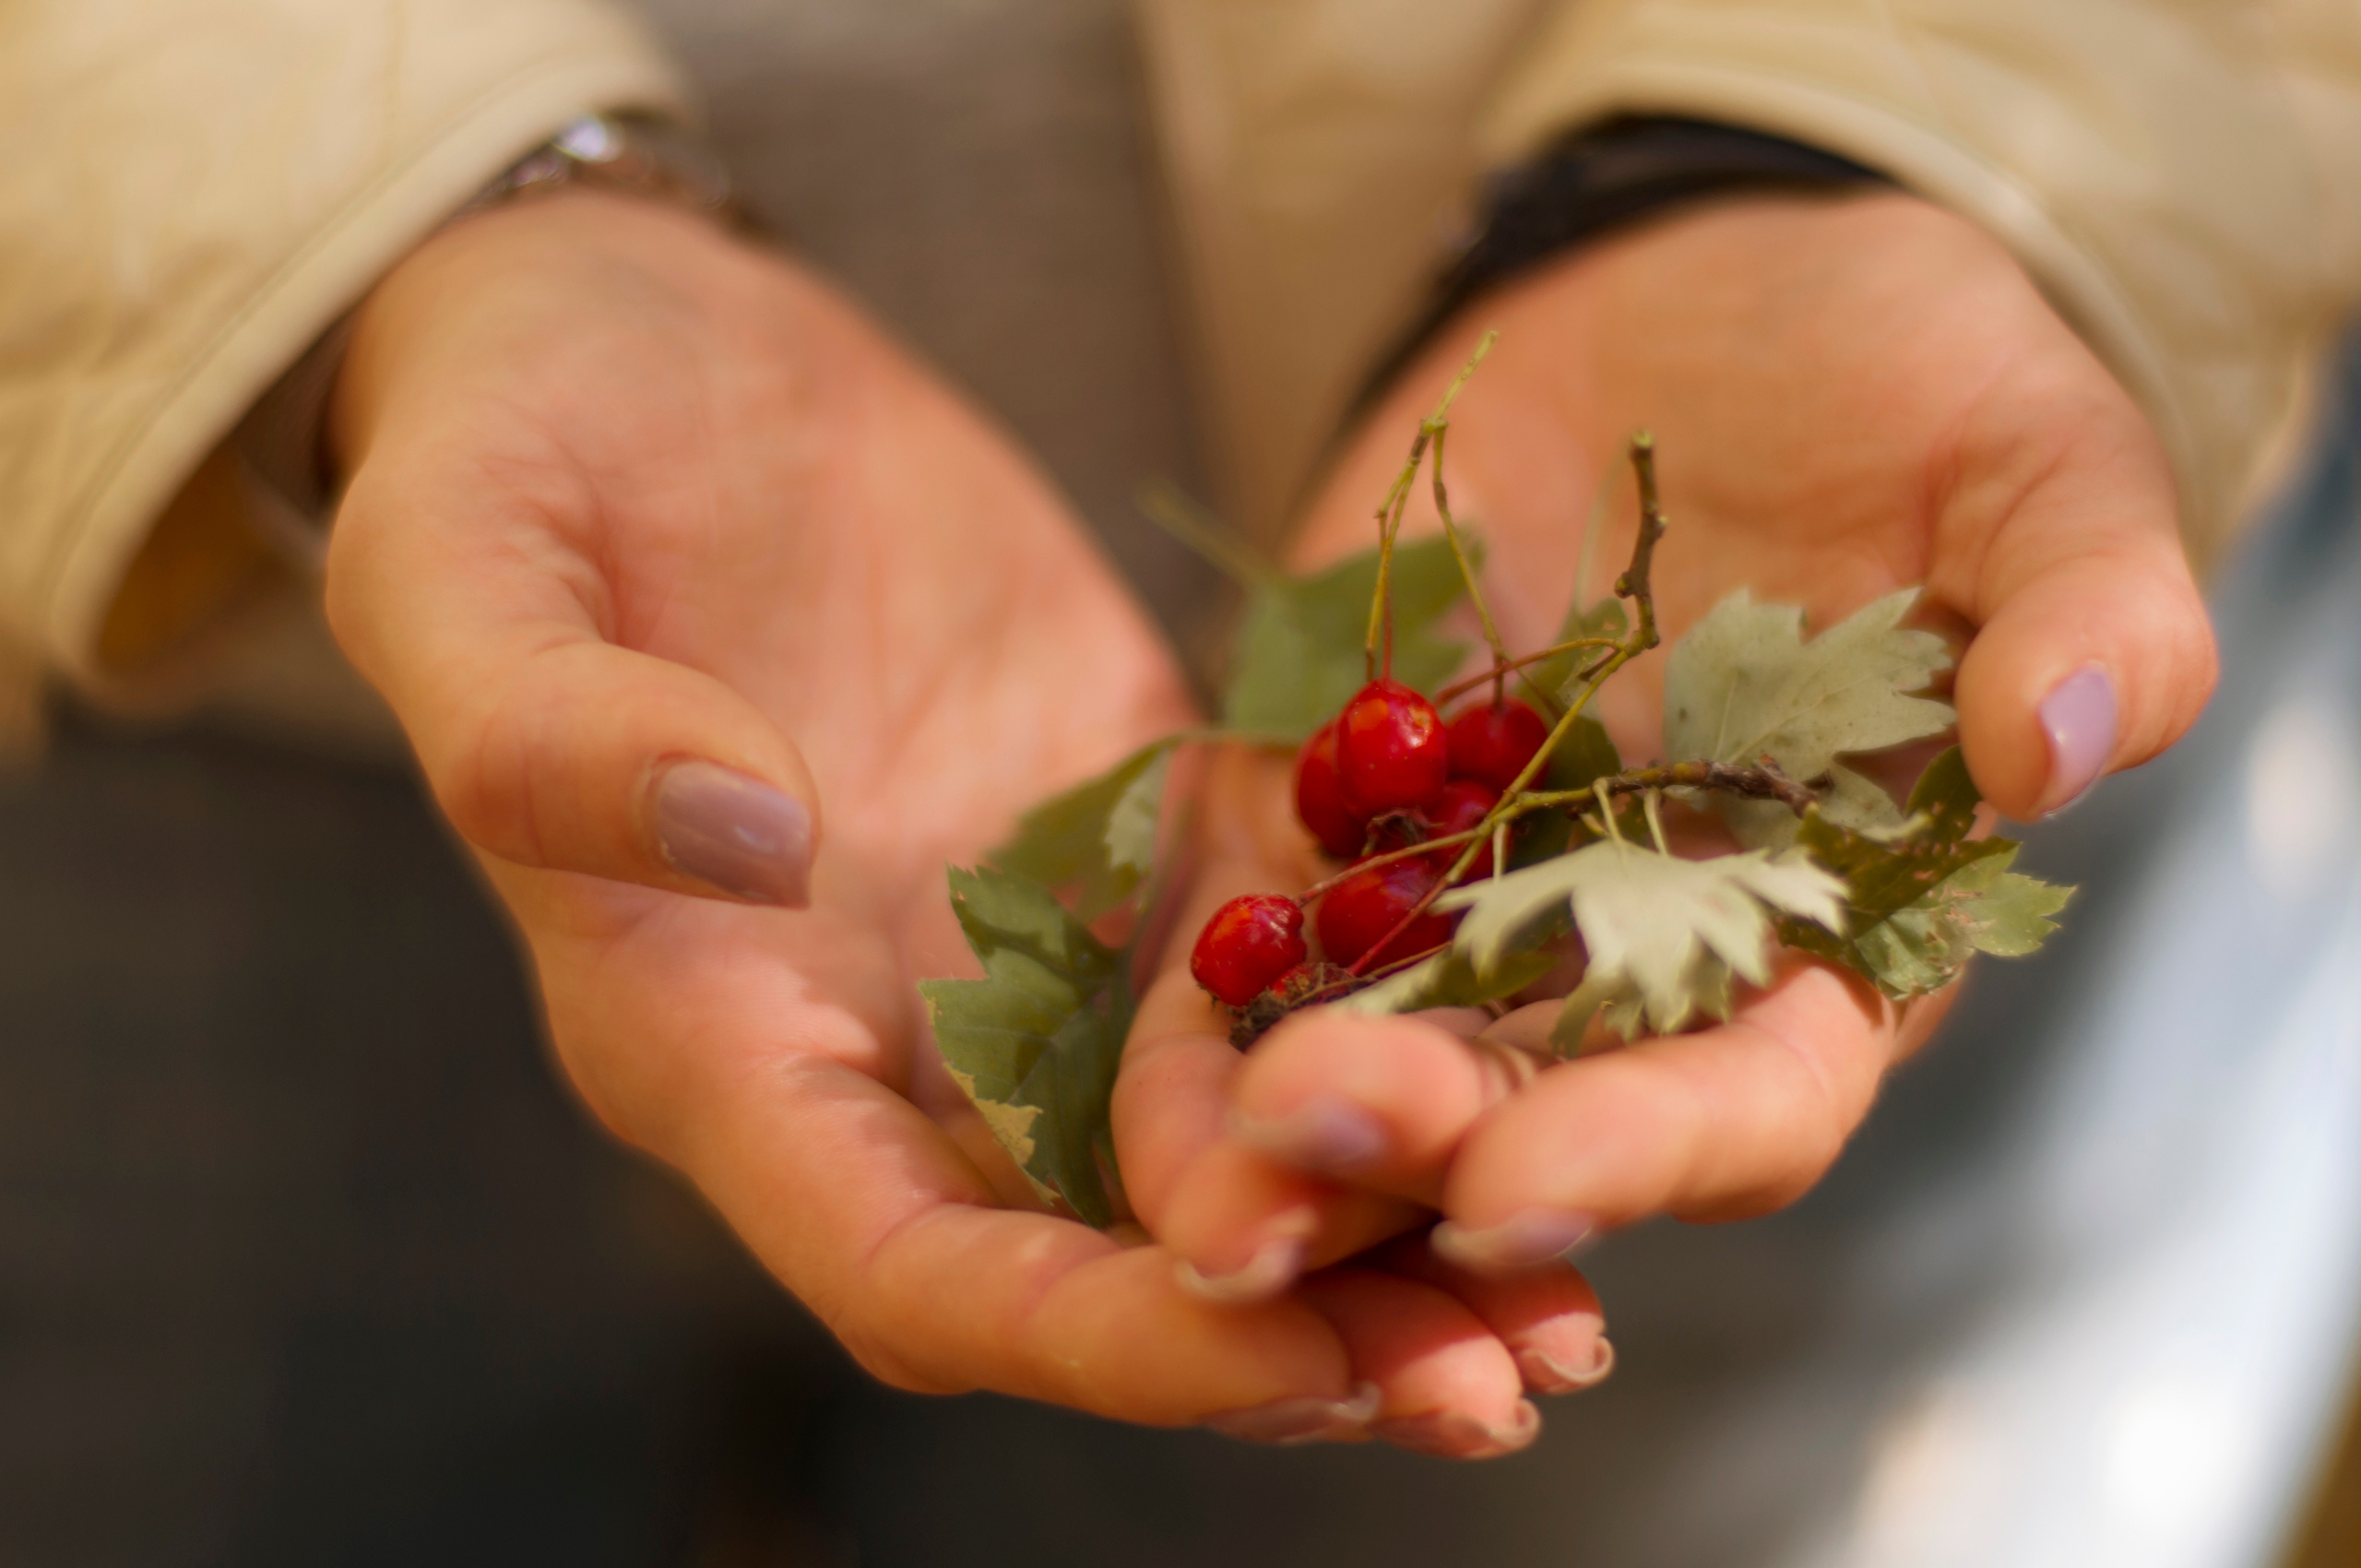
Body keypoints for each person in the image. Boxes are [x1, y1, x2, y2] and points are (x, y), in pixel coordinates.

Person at [6, 0, 2354, 1463]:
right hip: (163, 621)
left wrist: (1857, 121)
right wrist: (346, 209)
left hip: (1870, 543)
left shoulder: (1411, 814)